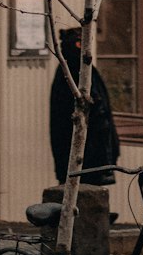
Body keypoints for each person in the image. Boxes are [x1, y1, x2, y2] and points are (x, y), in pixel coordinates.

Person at [49, 26, 120, 186]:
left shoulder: (79, 72)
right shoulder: (72, 73)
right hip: (85, 152)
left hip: (90, 152)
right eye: (79, 44)